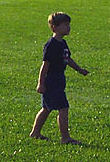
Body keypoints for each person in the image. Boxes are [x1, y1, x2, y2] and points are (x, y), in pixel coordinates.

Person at [30, 12, 89, 145]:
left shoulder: (63, 43)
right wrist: (41, 83)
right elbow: (44, 66)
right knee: (63, 108)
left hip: (59, 79)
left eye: (69, 25)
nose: (68, 27)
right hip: (51, 80)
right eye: (65, 25)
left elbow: (67, 59)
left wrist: (79, 70)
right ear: (55, 27)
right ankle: (65, 137)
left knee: (47, 108)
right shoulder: (51, 45)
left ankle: (35, 133)